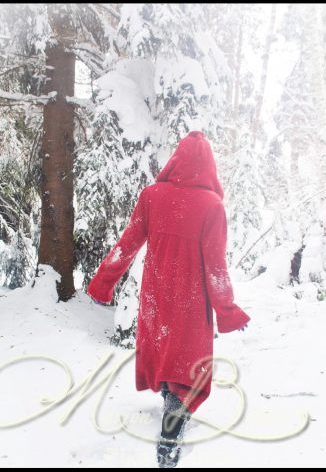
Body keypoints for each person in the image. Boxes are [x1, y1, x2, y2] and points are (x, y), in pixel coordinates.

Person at [86, 130, 250, 468]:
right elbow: (216, 268)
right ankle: (170, 440)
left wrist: (103, 284)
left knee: (164, 352)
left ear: (176, 159)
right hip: (190, 303)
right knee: (187, 368)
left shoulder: (152, 196)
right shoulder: (212, 207)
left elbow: (127, 244)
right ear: (209, 167)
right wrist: (228, 312)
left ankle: (169, 409)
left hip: (156, 298)